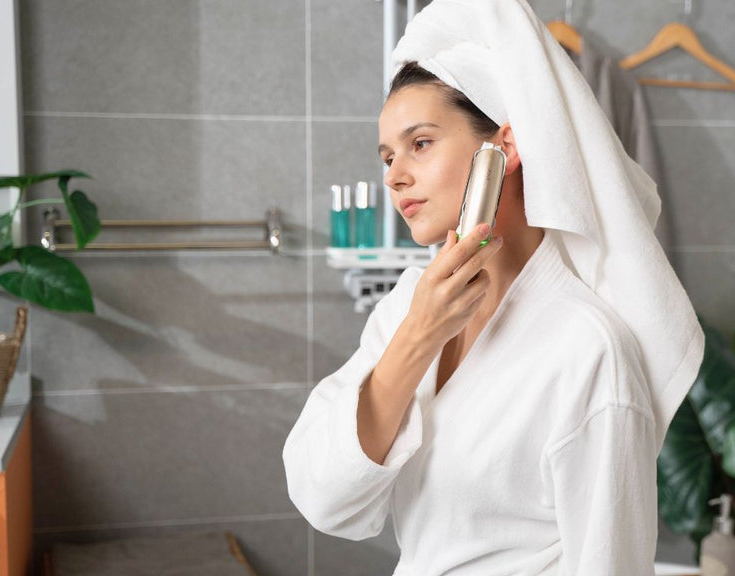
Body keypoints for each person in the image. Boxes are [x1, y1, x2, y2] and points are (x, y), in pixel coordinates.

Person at [283, 1, 704, 574]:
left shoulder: (588, 350)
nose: (393, 174)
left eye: (421, 143)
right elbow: (323, 497)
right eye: (387, 155)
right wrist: (417, 338)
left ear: (503, 148)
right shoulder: (410, 305)